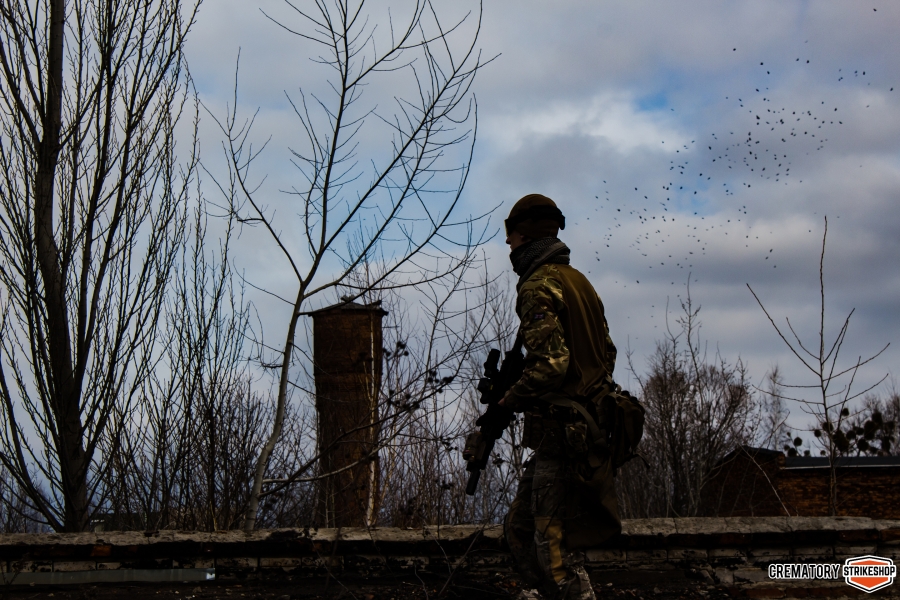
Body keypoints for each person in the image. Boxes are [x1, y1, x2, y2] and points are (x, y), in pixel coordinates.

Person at [498, 194, 621, 600]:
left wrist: (510, 399)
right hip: (579, 430)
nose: (508, 243)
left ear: (526, 233)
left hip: (565, 434)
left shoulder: (538, 285)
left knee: (551, 546)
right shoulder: (579, 281)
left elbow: (551, 365)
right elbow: (607, 354)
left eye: (511, 234)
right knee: (519, 528)